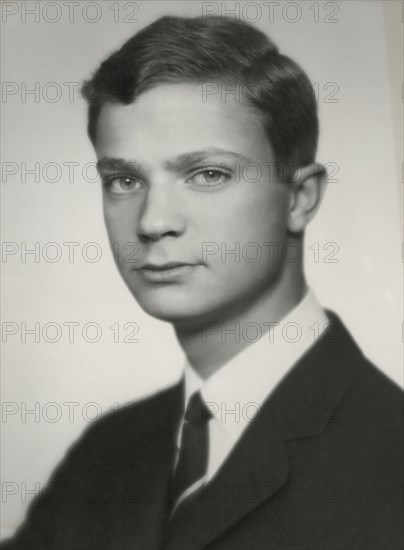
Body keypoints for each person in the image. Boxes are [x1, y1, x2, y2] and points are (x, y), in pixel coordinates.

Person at [2, 15, 402, 550]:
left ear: (300, 197)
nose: (151, 221)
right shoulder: (108, 451)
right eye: (124, 180)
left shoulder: (390, 455)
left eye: (207, 174)